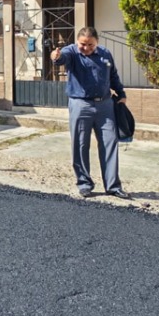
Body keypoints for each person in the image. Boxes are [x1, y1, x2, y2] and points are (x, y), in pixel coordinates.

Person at [50, 27, 127, 199]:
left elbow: (113, 75)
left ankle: (113, 186)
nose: (86, 48)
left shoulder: (105, 54)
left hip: (105, 105)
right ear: (78, 42)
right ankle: (84, 183)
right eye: (83, 44)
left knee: (110, 142)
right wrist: (55, 57)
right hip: (80, 104)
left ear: (97, 42)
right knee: (80, 144)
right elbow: (60, 58)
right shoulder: (71, 52)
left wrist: (121, 94)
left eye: (90, 45)